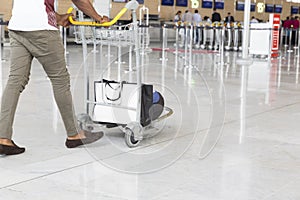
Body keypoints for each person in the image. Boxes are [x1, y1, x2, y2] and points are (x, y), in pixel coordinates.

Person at [0, 0, 109, 155]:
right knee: (60, 80)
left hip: (17, 26)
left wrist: (57, 17)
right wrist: (98, 17)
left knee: (15, 80)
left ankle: (3, 138)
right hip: (42, 31)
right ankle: (74, 134)